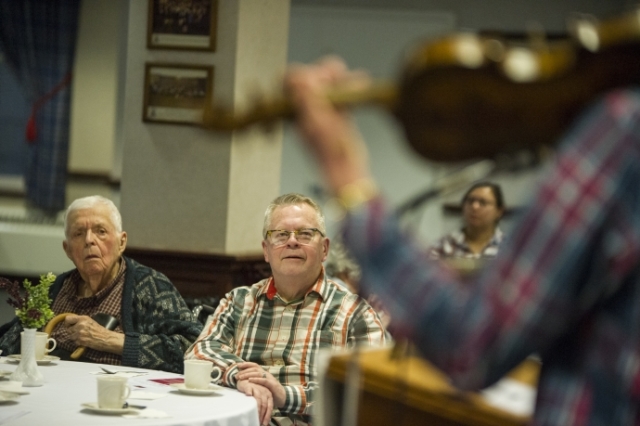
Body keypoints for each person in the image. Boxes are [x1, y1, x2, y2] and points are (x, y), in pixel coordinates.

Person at [284, 57, 640, 425]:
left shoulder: (627, 129)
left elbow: (472, 339)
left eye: (483, 203)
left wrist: (344, 172)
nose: (474, 209)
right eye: (280, 236)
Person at [185, 193, 388, 426]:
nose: (292, 241)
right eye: (281, 234)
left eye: (305, 234)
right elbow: (199, 352)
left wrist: (284, 394)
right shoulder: (239, 301)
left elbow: (368, 393)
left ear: (324, 249)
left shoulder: (357, 314)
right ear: (266, 250)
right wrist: (238, 375)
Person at [0, 195, 202, 373]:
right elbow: (8, 343)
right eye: (78, 233)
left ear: (121, 242)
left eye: (101, 231)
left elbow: (195, 349)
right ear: (67, 249)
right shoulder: (54, 289)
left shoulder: (149, 286)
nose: (89, 240)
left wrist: (110, 340)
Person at [429, 181, 506, 259]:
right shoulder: (442, 247)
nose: (474, 207)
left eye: (483, 202)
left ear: (499, 211)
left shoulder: (509, 248)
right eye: (470, 201)